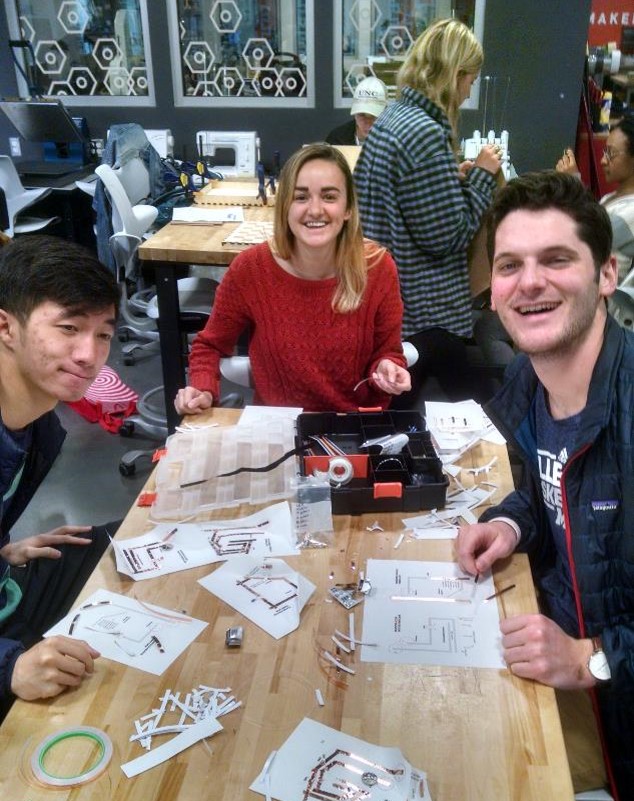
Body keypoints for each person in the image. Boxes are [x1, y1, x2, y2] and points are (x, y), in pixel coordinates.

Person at [455, 171, 633, 800]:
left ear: (606, 274)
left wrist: (590, 659)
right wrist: (506, 523)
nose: (529, 282)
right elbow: (547, 491)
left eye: (556, 260)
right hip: (558, 661)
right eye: (510, 265)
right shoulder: (531, 386)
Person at [174, 143, 410, 416]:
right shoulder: (251, 270)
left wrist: (387, 368)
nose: (315, 209)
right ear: (284, 207)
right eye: (301, 197)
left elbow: (389, 352)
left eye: (329, 197)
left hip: (354, 426)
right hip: (280, 427)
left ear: (348, 209)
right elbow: (210, 345)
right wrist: (202, 389)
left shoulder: (378, 268)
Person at [354, 18, 502, 408]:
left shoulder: (393, 118)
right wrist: (484, 178)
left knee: (399, 410)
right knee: (456, 414)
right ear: (455, 75)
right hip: (425, 313)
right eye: (470, 80)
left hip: (395, 301)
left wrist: (450, 181)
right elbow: (447, 237)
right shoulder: (425, 133)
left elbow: (404, 202)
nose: (469, 92)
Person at [0, 235, 119, 716]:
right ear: (5, 327)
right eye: (69, 328)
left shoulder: (42, 428)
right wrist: (9, 669)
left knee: (121, 549)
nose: (89, 355)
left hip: (9, 590)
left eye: (104, 334)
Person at [556, 112, 634, 284]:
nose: (603, 160)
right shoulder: (612, 197)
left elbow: (585, 241)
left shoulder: (630, 213)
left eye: (611, 153)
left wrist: (573, 186)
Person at [325, 76, 388, 146]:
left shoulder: (395, 140)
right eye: (361, 115)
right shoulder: (337, 139)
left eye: (373, 116)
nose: (367, 122)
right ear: (355, 115)